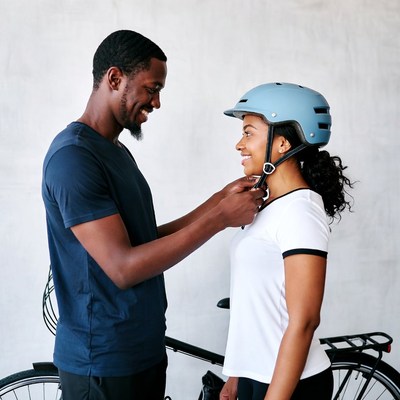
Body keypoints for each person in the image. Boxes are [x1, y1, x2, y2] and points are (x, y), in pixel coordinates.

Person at [41, 30, 264, 400]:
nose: (157, 102)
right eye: (151, 88)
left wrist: (218, 201)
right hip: (103, 364)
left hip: (141, 351)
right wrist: (219, 218)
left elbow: (143, 240)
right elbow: (123, 266)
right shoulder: (74, 158)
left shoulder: (115, 151)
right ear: (115, 79)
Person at [219, 82, 354, 400]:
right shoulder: (267, 205)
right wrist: (237, 374)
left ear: (281, 143)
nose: (240, 144)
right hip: (258, 376)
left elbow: (305, 320)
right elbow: (255, 299)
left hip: (290, 384)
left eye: (249, 132)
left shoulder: (301, 211)